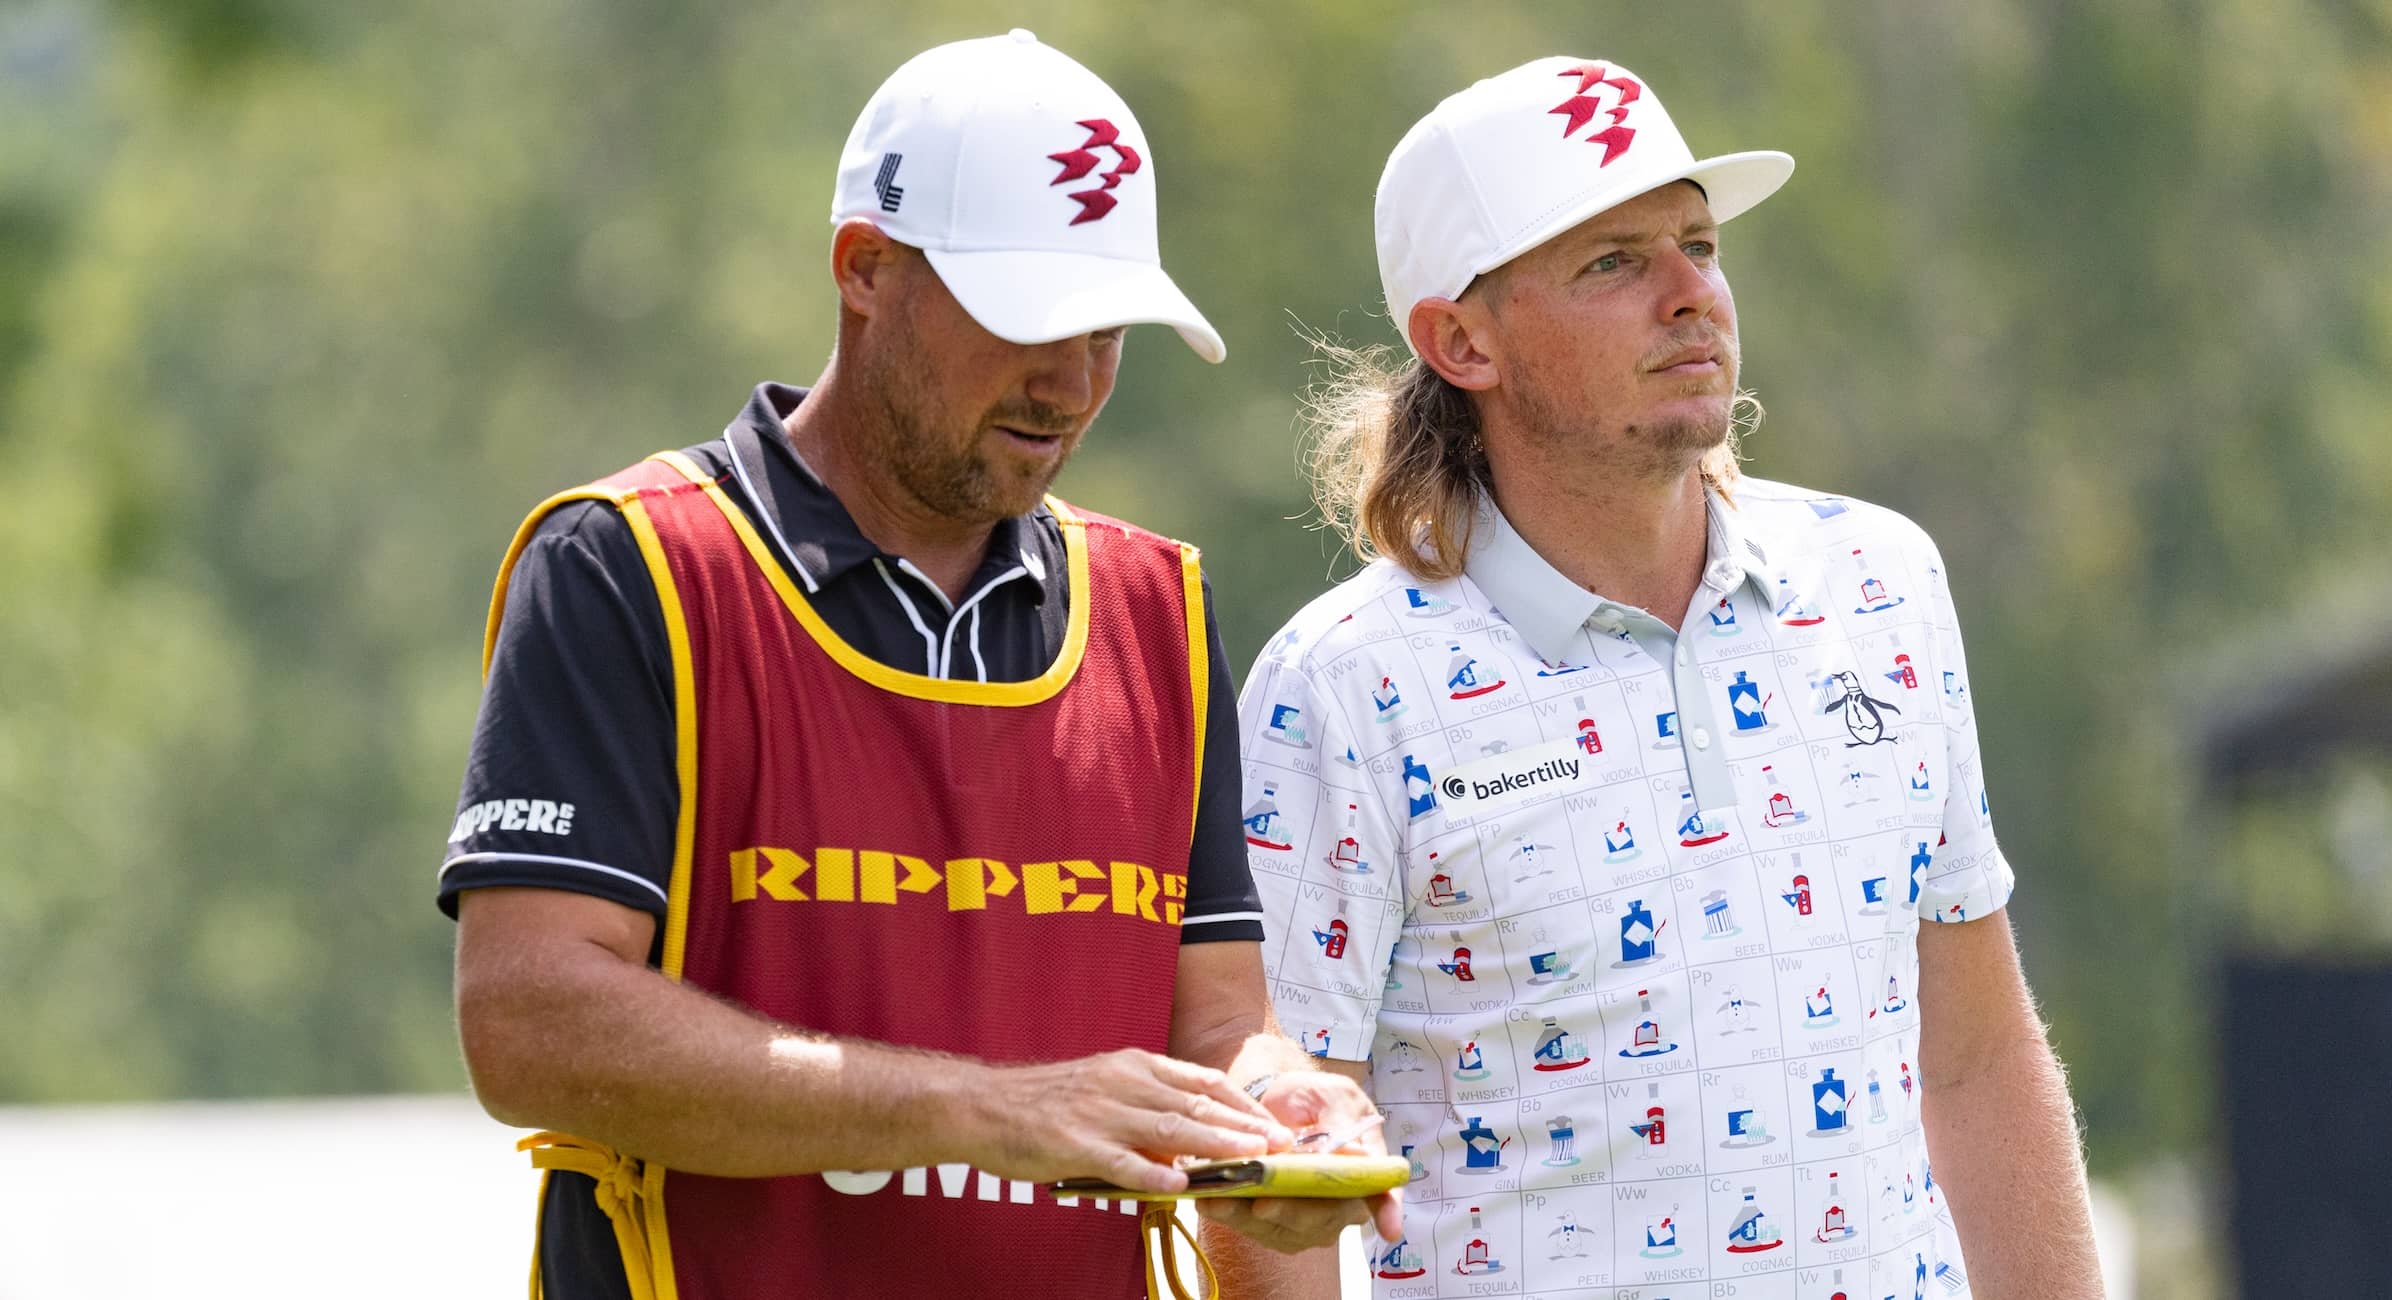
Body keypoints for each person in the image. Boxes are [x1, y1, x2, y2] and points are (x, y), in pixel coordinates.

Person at [439, 31, 1393, 1299]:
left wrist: (1276, 1109)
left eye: (1108, 330)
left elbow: (1217, 1025)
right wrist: (983, 1110)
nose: (1070, 381)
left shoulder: (1157, 608)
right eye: (1028, 321)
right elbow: (531, 1021)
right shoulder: (629, 569)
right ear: (866, 270)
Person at [1232, 57, 2104, 1298]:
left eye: (1698, 243)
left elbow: (1971, 1059)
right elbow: (1277, 1184)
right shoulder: (1339, 687)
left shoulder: (1880, 582)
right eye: (1614, 262)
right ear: (1461, 339)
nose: (1692, 293)